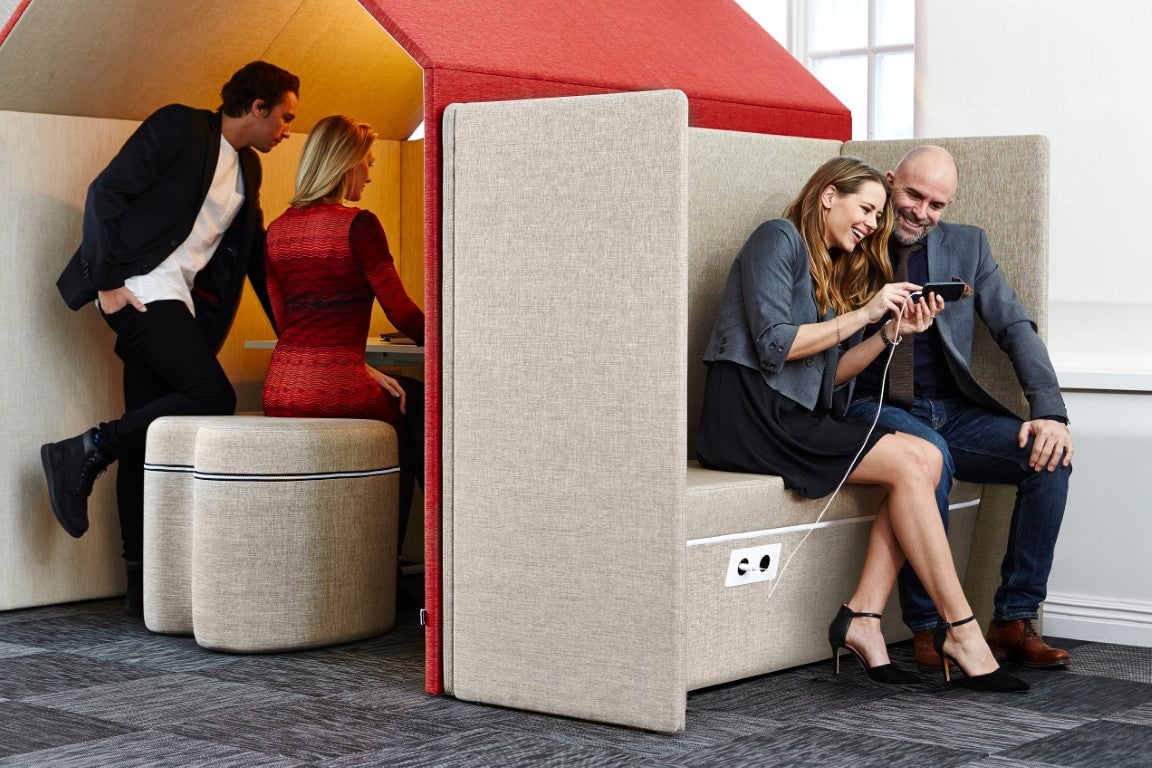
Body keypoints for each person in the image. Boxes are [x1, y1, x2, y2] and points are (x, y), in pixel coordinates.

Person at [696, 156, 1028, 692]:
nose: (873, 224)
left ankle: (864, 617)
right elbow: (777, 345)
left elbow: (829, 379)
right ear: (829, 195)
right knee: (913, 459)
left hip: (793, 414)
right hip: (748, 417)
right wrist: (867, 312)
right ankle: (962, 630)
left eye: (877, 215)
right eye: (868, 209)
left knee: (927, 455)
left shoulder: (831, 264)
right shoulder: (776, 238)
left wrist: (889, 334)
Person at [41, 61, 301, 614]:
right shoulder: (180, 126)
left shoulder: (248, 168)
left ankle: (142, 585)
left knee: (149, 435)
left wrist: (294, 332)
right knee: (213, 395)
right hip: (138, 287)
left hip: (176, 298)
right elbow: (106, 192)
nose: (287, 130)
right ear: (258, 107)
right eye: (285, 117)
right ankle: (86, 449)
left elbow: (253, 256)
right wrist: (107, 283)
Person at [845, 145, 1073, 670]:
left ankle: (1014, 617)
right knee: (931, 458)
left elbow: (1015, 327)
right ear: (889, 181)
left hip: (953, 409)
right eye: (912, 195)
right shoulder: (854, 237)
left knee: (1048, 458)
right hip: (872, 406)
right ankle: (930, 626)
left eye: (936, 204)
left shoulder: (969, 245)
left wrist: (1050, 412)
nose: (921, 212)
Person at [261, 115, 425, 569]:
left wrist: (359, 364)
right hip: (333, 392)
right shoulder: (360, 226)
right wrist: (457, 338)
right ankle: (393, 561)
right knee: (414, 401)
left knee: (400, 392)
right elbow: (401, 313)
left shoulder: (277, 231)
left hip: (281, 391)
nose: (370, 175)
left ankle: (385, 561)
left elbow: (288, 325)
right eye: (368, 163)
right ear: (346, 162)